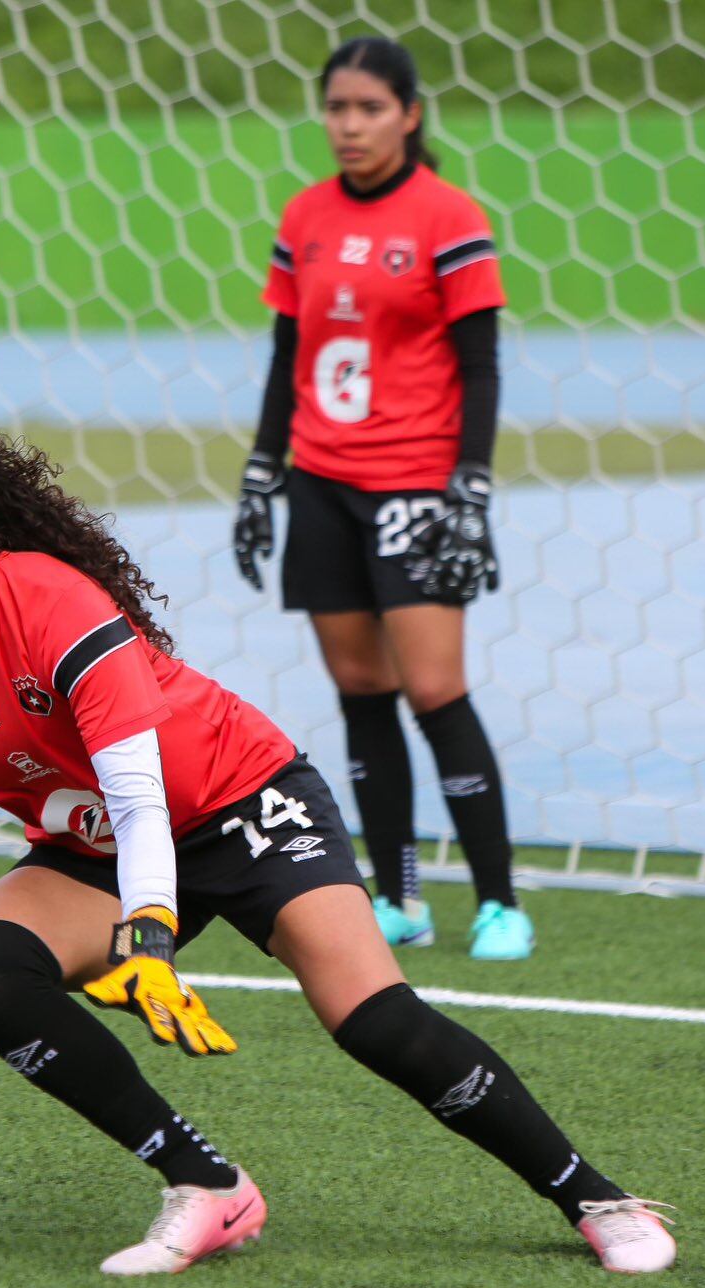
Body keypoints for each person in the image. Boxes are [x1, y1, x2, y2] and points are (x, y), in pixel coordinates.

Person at [0, 420, 674, 1277]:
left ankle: (594, 1197)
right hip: (97, 844)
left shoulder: (51, 602)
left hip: (238, 799)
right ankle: (205, 1184)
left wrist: (147, 936)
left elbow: (143, 795)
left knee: (374, 1020)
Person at [233, 38, 532, 959]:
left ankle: (498, 901)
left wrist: (469, 490)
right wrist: (261, 473)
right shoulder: (305, 215)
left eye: (368, 108)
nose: (350, 125)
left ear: (409, 112)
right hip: (321, 482)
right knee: (361, 689)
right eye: (336, 108)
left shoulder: (448, 217)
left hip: (413, 483)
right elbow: (290, 355)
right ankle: (398, 896)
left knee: (436, 690)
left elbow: (479, 365)